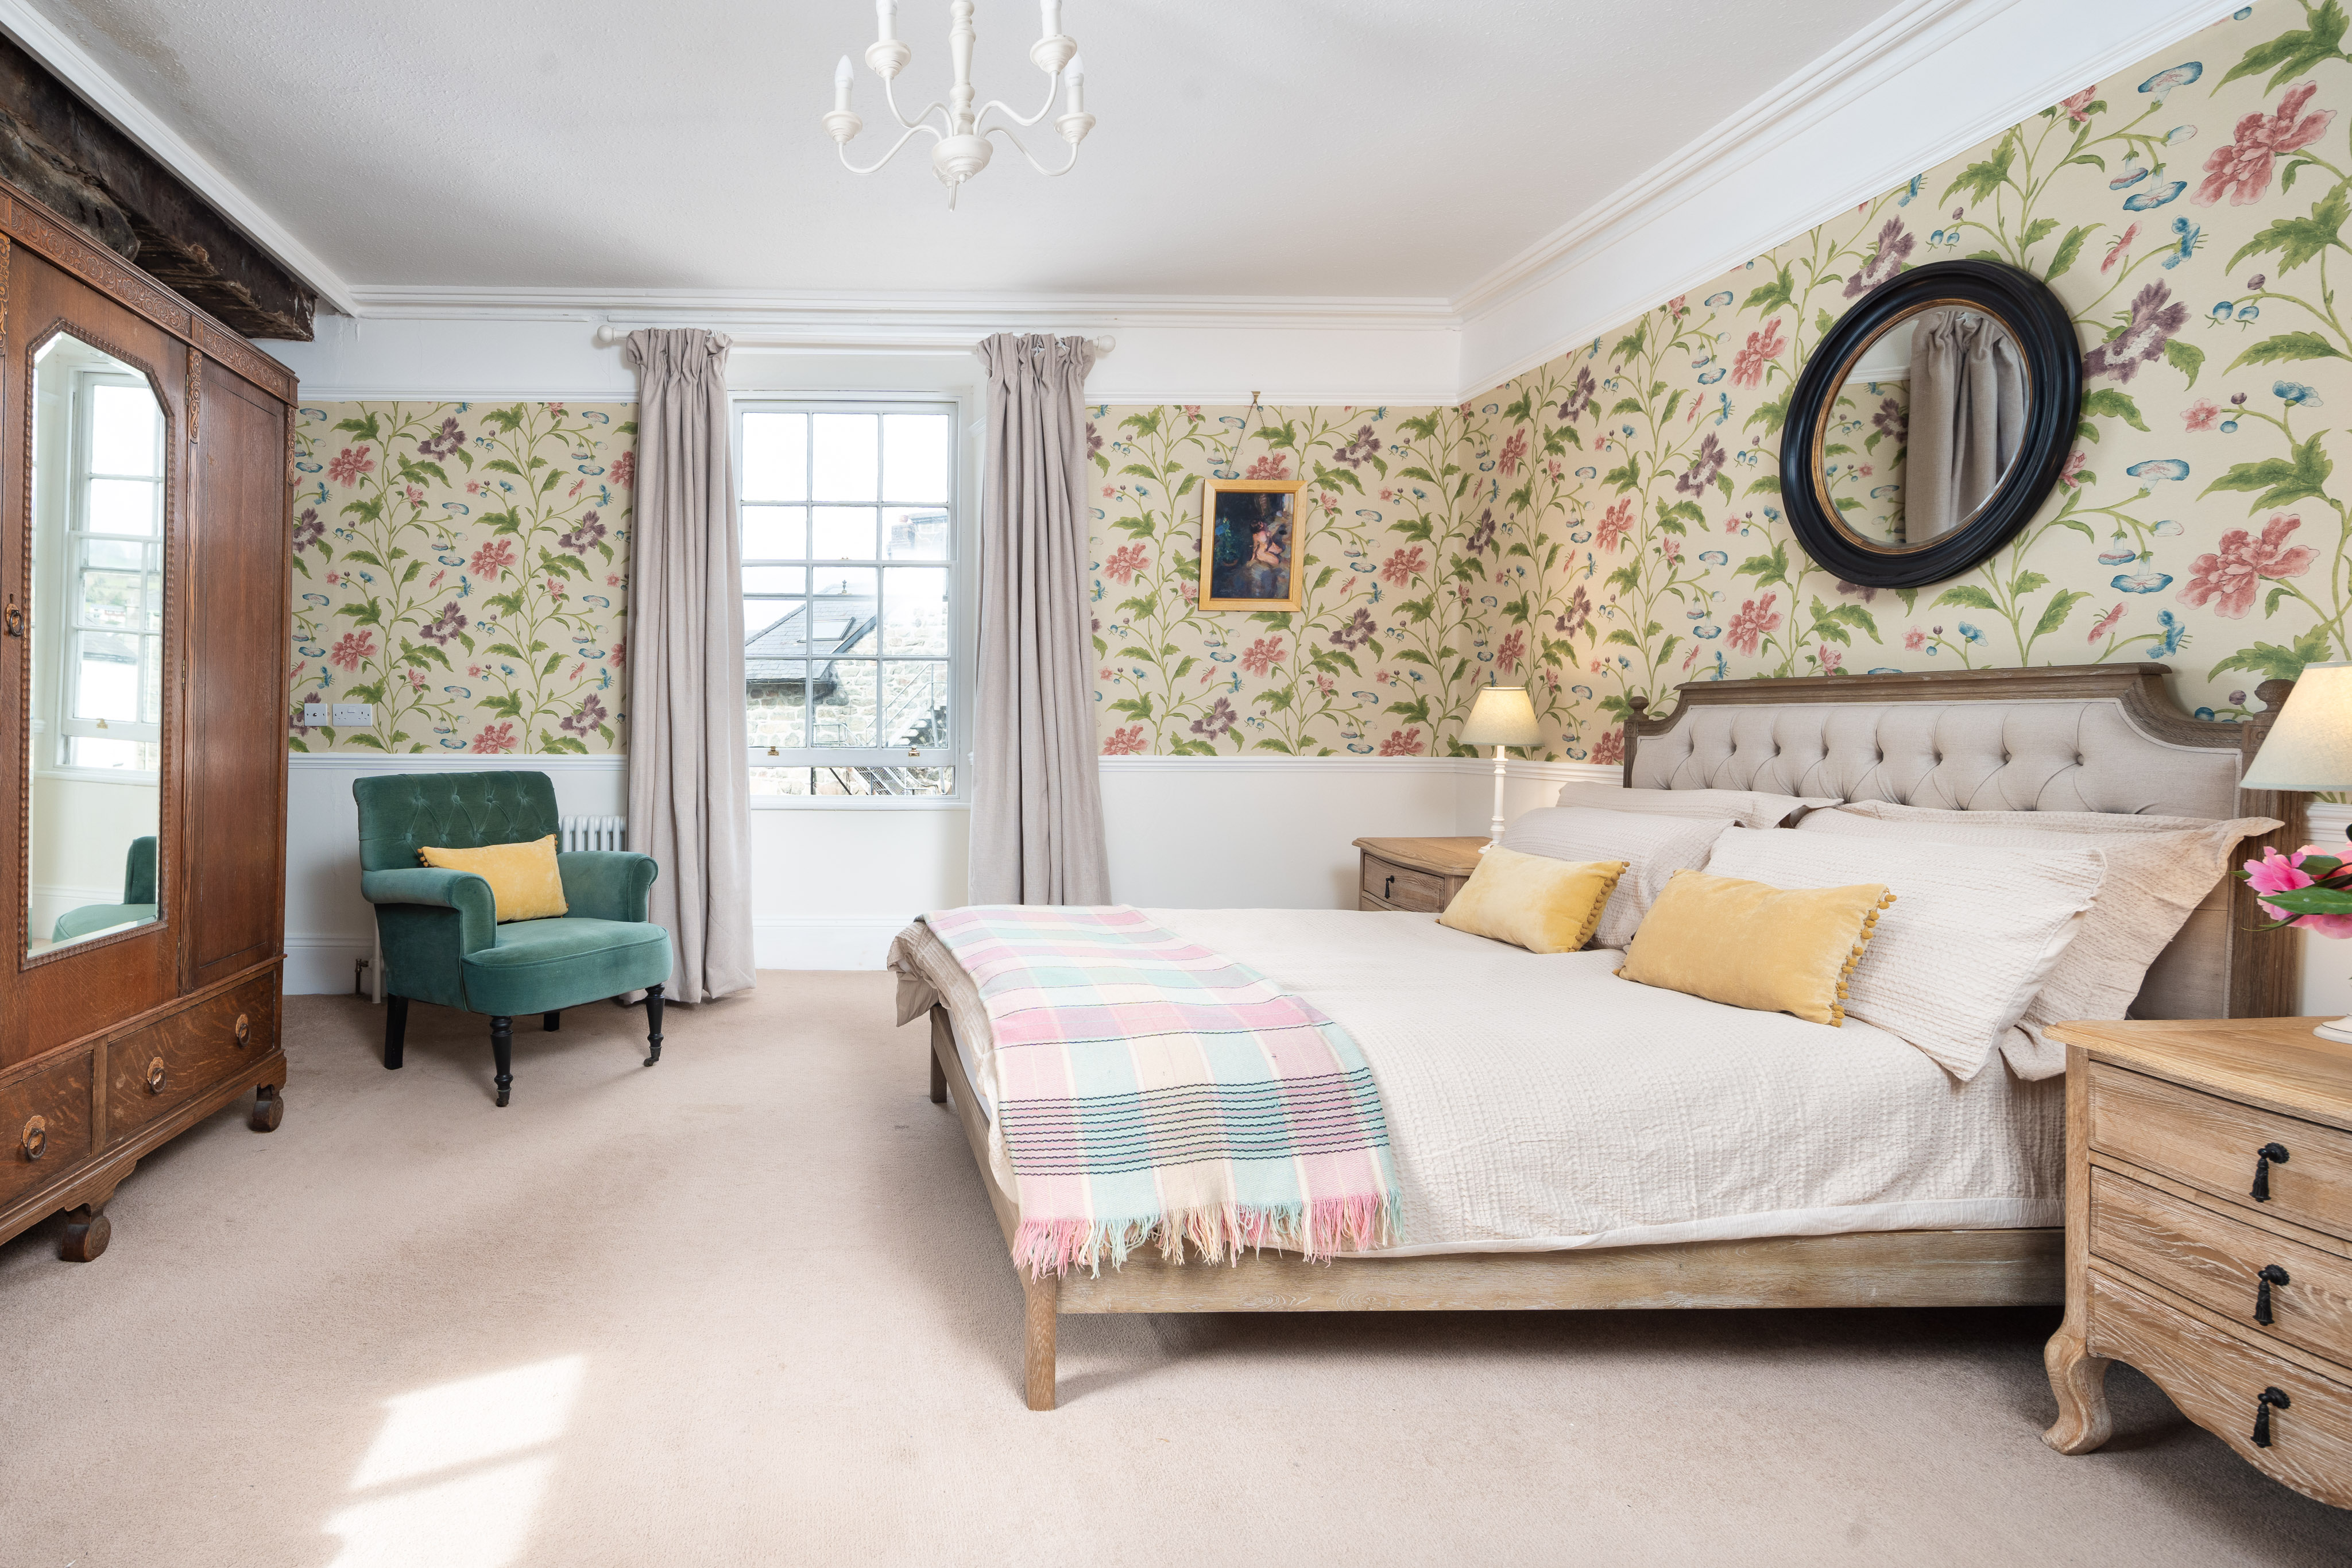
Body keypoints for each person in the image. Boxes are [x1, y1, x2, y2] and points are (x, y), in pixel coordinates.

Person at [1210, 493, 1291, 601]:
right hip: (1262, 552)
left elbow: (1271, 540)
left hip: (1268, 546)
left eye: (1261, 523)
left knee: (1280, 552)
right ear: (1257, 528)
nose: (1262, 524)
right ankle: (1264, 559)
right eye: (1260, 524)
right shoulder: (1256, 536)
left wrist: (1275, 547)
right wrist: (1253, 556)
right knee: (1276, 561)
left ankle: (1269, 556)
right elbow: (1255, 546)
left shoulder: (1265, 528)